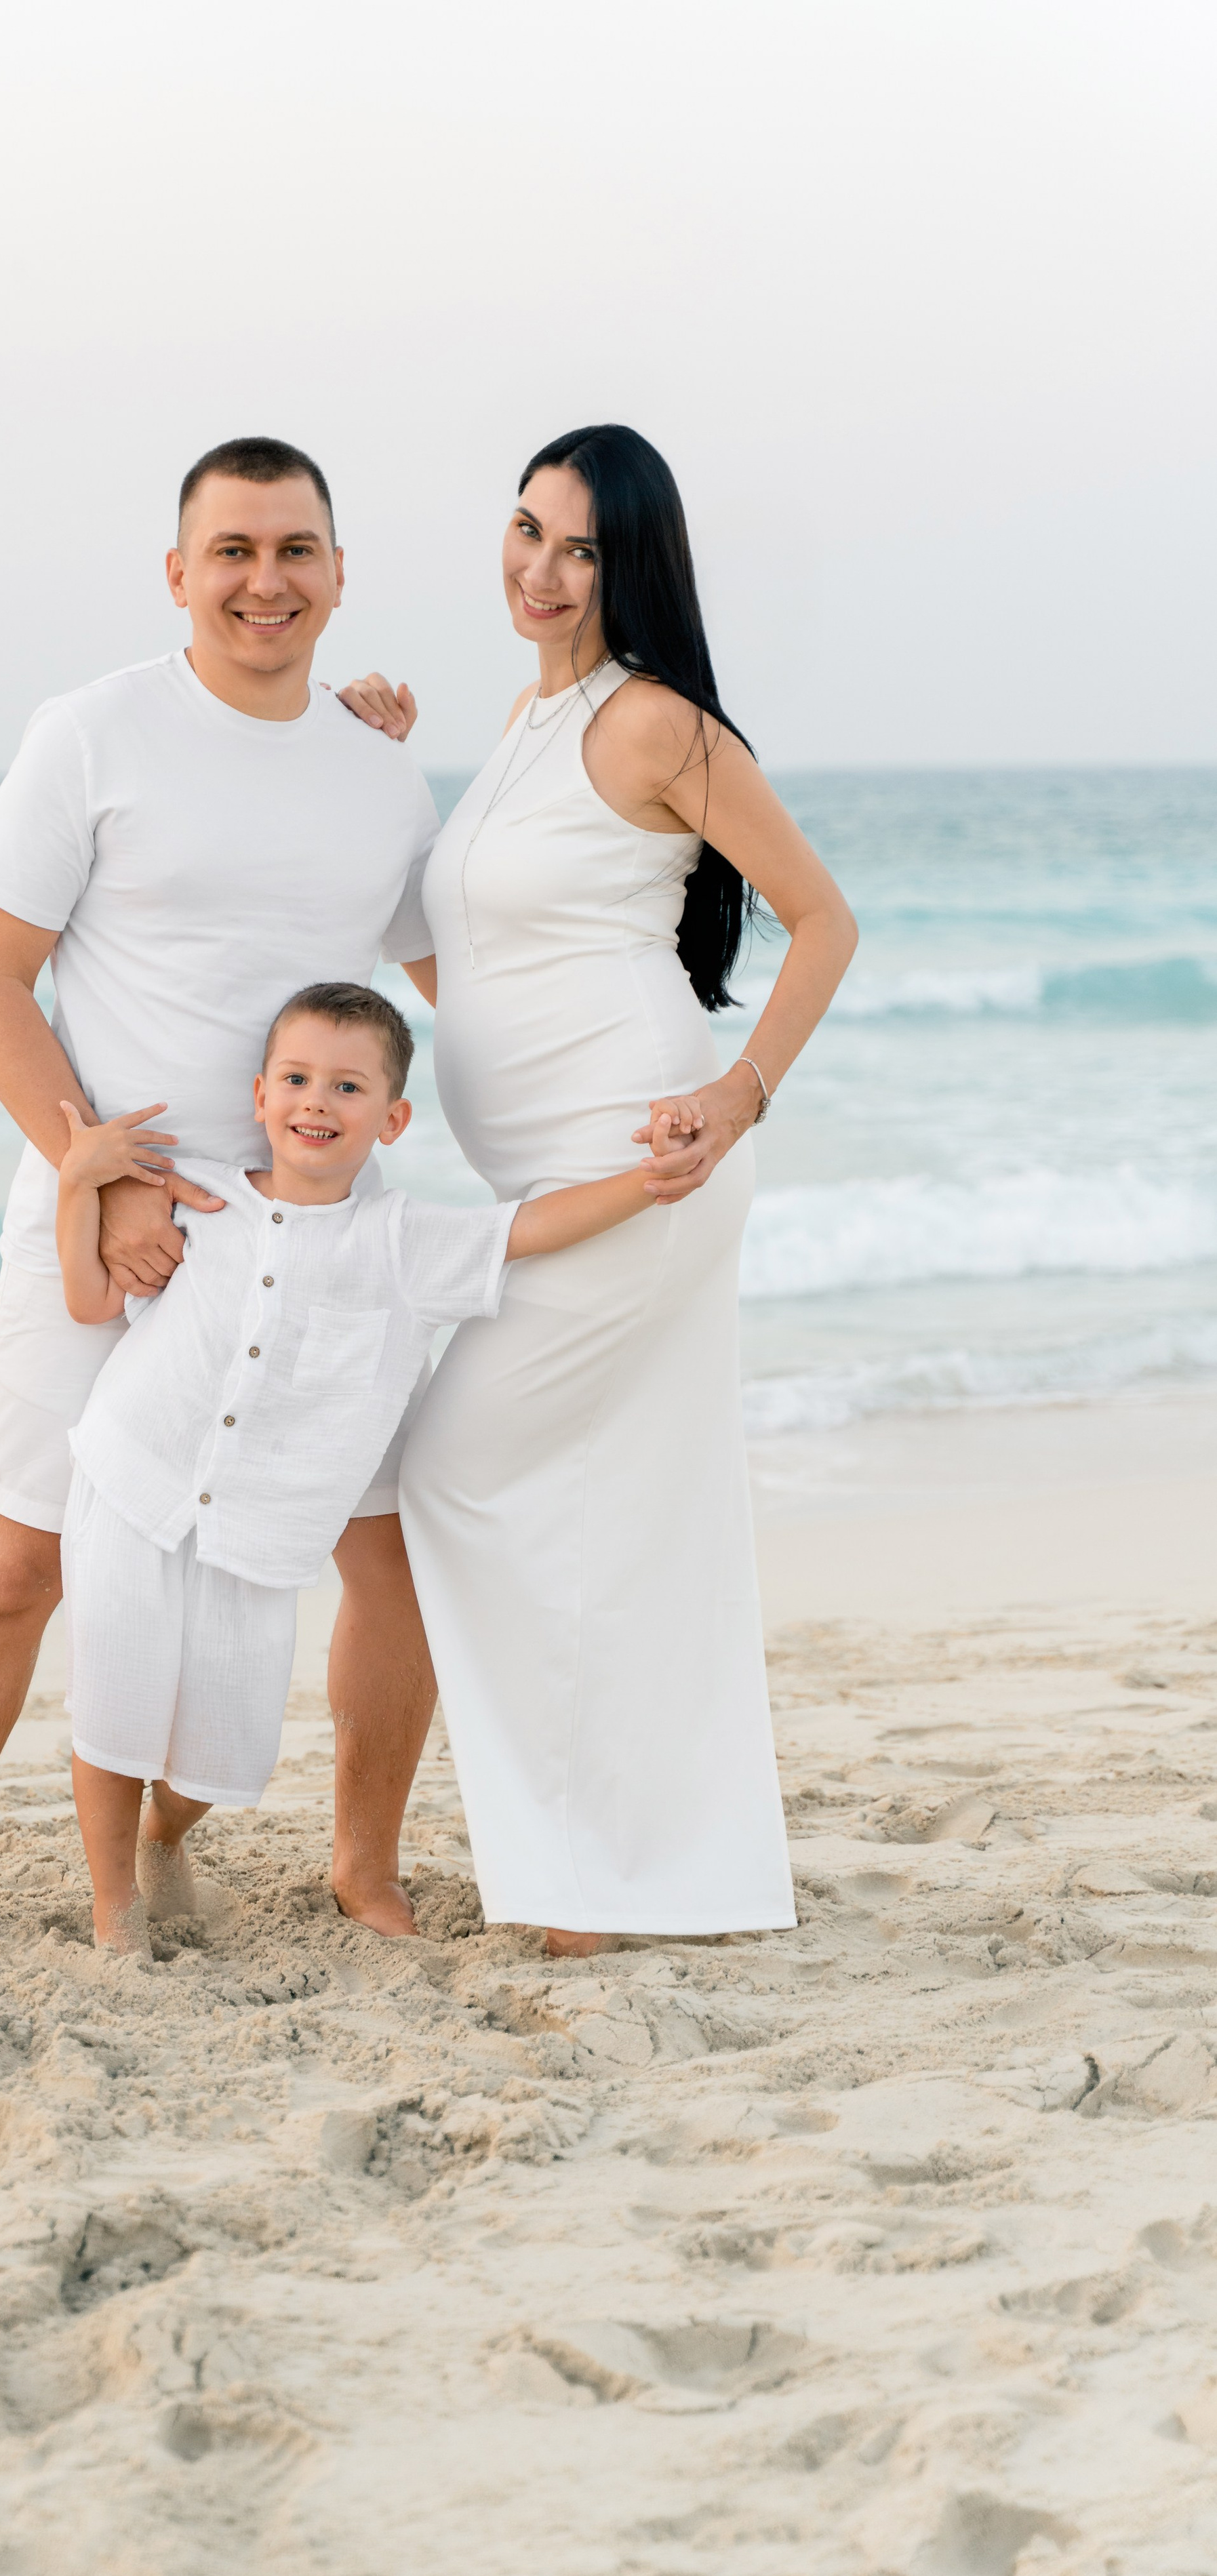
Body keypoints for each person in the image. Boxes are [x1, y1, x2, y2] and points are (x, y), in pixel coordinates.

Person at [0, 437, 439, 1988]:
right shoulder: (92, 733)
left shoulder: (381, 776)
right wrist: (92, 1176)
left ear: (339, 575)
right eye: (230, 551)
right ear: (177, 574)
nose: (263, 580)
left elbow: (451, 979)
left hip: (306, 1232)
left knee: (374, 1551)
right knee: (20, 1561)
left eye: (295, 550)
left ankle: (359, 1867)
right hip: (109, 1209)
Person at [381, 422, 859, 1959]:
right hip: (542, 1175)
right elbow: (466, 964)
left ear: (628, 565)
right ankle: (613, 1867)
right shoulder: (522, 727)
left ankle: (586, 1871)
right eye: (526, 530)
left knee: (459, 1470)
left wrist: (737, 1094)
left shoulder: (653, 723)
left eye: (578, 547)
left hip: (638, 1168)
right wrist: (377, 774)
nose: (540, 568)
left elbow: (821, 920)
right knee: (600, 1515)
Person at [51, 983, 673, 1953]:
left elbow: (531, 1229)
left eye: (347, 1086)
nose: (316, 1102)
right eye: (296, 1079)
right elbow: (93, 1303)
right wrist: (74, 1182)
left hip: (258, 1534)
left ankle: (163, 1833)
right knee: (116, 1701)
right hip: (135, 1474)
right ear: (259, 1094)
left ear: (393, 1118)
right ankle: (113, 1908)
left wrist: (656, 1181)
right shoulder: (197, 1196)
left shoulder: (403, 1243)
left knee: (213, 1755)